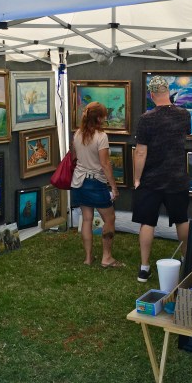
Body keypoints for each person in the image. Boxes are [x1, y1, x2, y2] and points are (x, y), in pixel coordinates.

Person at [132, 75, 191, 283]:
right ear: (168, 92)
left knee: (147, 222)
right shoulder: (184, 114)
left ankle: (144, 268)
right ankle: (186, 260)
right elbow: (182, 139)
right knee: (181, 220)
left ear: (151, 95)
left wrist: (137, 179)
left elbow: (140, 152)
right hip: (177, 177)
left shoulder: (146, 119)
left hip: (151, 179)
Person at [70, 101, 123, 268]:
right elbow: (105, 164)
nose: (105, 119)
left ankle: (88, 258)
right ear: (99, 118)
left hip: (78, 181)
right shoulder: (101, 136)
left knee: (87, 219)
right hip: (95, 182)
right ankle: (106, 257)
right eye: (104, 116)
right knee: (110, 218)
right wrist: (113, 187)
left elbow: (74, 157)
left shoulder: (77, 134)